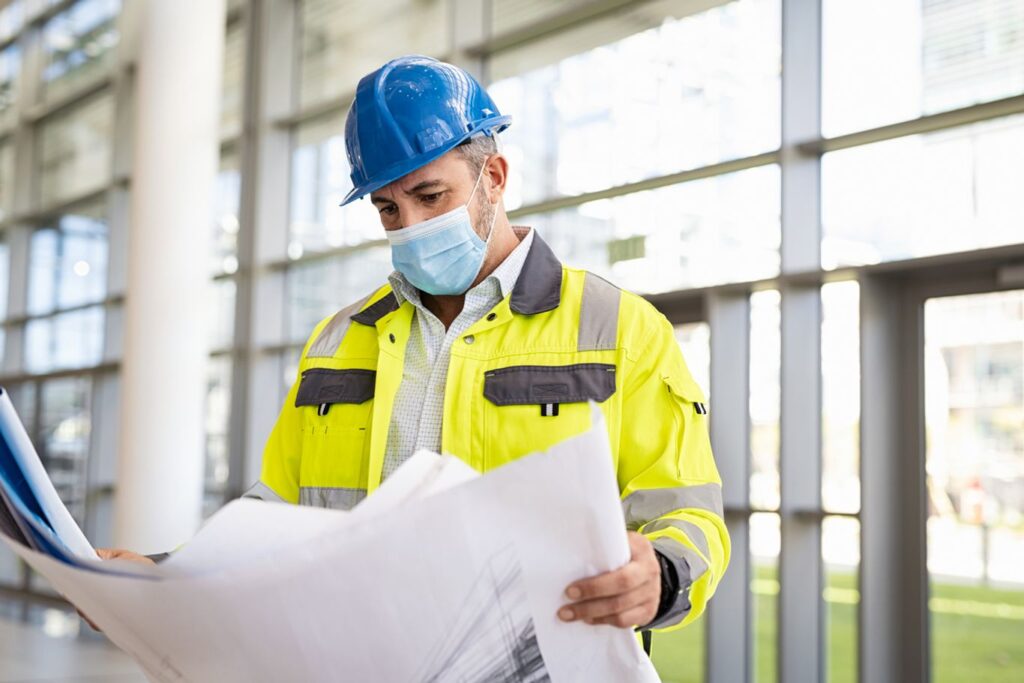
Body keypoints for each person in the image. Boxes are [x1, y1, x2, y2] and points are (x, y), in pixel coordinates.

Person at [95, 55, 729, 636]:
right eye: (388, 210)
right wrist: (163, 575)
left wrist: (662, 575)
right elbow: (273, 520)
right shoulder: (339, 341)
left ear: (494, 177)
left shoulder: (619, 328)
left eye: (431, 196)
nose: (412, 226)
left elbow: (690, 517)